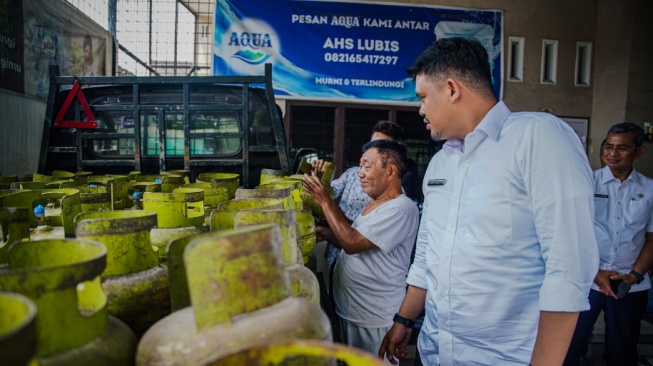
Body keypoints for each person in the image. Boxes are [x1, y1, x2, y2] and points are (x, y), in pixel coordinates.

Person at [378, 37, 599, 366]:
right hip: (436, 352)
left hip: (506, 358)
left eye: (423, 97)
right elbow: (427, 254)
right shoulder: (441, 163)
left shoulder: (537, 137)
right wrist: (404, 320)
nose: (420, 109)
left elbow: (568, 269)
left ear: (452, 89)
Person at [303, 139, 419, 358]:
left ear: (391, 171)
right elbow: (357, 238)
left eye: (367, 166)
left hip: (373, 319)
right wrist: (328, 233)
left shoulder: (401, 208)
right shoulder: (377, 203)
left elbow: (352, 243)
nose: (360, 174)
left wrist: (326, 202)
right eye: (360, 167)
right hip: (352, 311)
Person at [564, 122, 653, 366]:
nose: (612, 153)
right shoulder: (585, 184)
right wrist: (595, 272)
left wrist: (635, 275)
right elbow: (570, 234)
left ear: (639, 151)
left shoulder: (650, 189)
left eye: (622, 148)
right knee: (569, 347)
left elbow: (651, 239)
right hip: (587, 281)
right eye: (608, 146)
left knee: (622, 353)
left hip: (630, 285)